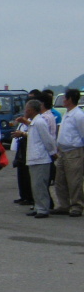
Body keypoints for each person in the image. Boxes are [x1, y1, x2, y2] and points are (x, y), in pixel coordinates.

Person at [11, 99, 57, 217]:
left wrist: (53, 152)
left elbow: (47, 139)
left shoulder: (40, 122)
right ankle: (38, 206)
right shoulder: (33, 123)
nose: (25, 111)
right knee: (35, 185)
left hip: (41, 158)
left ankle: (43, 209)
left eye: (26, 109)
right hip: (34, 157)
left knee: (40, 185)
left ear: (30, 110)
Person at [51, 88, 84, 217]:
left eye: (65, 98)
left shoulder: (79, 115)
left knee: (74, 180)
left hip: (74, 152)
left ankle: (77, 205)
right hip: (63, 152)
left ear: (70, 99)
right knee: (60, 180)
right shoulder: (67, 113)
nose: (63, 100)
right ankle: (63, 205)